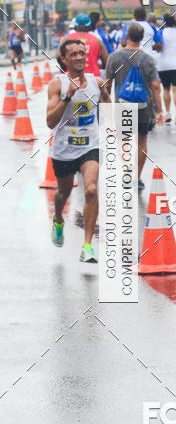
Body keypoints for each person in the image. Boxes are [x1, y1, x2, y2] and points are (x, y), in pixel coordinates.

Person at [47, 36, 107, 262]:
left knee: (91, 189)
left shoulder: (96, 82)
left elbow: (109, 107)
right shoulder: (57, 85)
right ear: (64, 59)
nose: (80, 57)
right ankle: (58, 218)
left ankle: (87, 246)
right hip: (64, 150)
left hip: (89, 146)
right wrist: (67, 97)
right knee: (64, 193)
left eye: (82, 53)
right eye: (74, 54)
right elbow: (50, 122)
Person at [104, 22, 165, 190]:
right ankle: (137, 178)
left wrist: (106, 107)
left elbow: (107, 86)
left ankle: (126, 173)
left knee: (123, 140)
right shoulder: (148, 60)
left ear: (127, 37)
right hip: (143, 107)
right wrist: (160, 110)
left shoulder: (114, 57)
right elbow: (155, 87)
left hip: (122, 106)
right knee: (142, 141)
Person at [156, 13, 176, 125]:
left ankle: (168, 114)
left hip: (164, 65)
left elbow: (158, 47)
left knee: (166, 89)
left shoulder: (160, 33)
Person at [68, 13, 108, 78]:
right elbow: (106, 62)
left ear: (75, 25)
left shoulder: (66, 39)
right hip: (93, 78)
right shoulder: (97, 40)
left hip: (72, 79)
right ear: (89, 25)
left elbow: (59, 57)